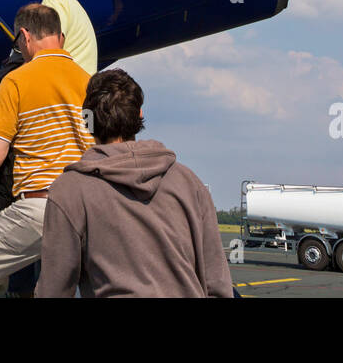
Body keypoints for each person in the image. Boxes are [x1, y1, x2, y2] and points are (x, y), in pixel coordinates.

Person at [36, 68, 233, 298]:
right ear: (139, 115)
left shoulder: (70, 190)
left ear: (87, 120)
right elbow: (218, 284)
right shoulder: (190, 183)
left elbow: (54, 289)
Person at [0, 3, 93, 294]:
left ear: (25, 37)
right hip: (88, 209)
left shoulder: (16, 81)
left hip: (40, 206)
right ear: (61, 38)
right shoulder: (89, 81)